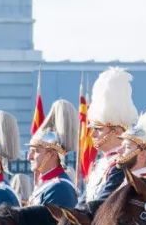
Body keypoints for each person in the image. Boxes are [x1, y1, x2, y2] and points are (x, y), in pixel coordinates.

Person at [83, 68, 137, 204]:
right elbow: (85, 201)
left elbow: (102, 204)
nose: (93, 134)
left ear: (117, 131)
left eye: (99, 129)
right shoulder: (100, 164)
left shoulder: (121, 164)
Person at [27, 99, 79, 207]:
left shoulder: (59, 188)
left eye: (36, 151)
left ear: (51, 154)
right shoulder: (46, 184)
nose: (29, 157)